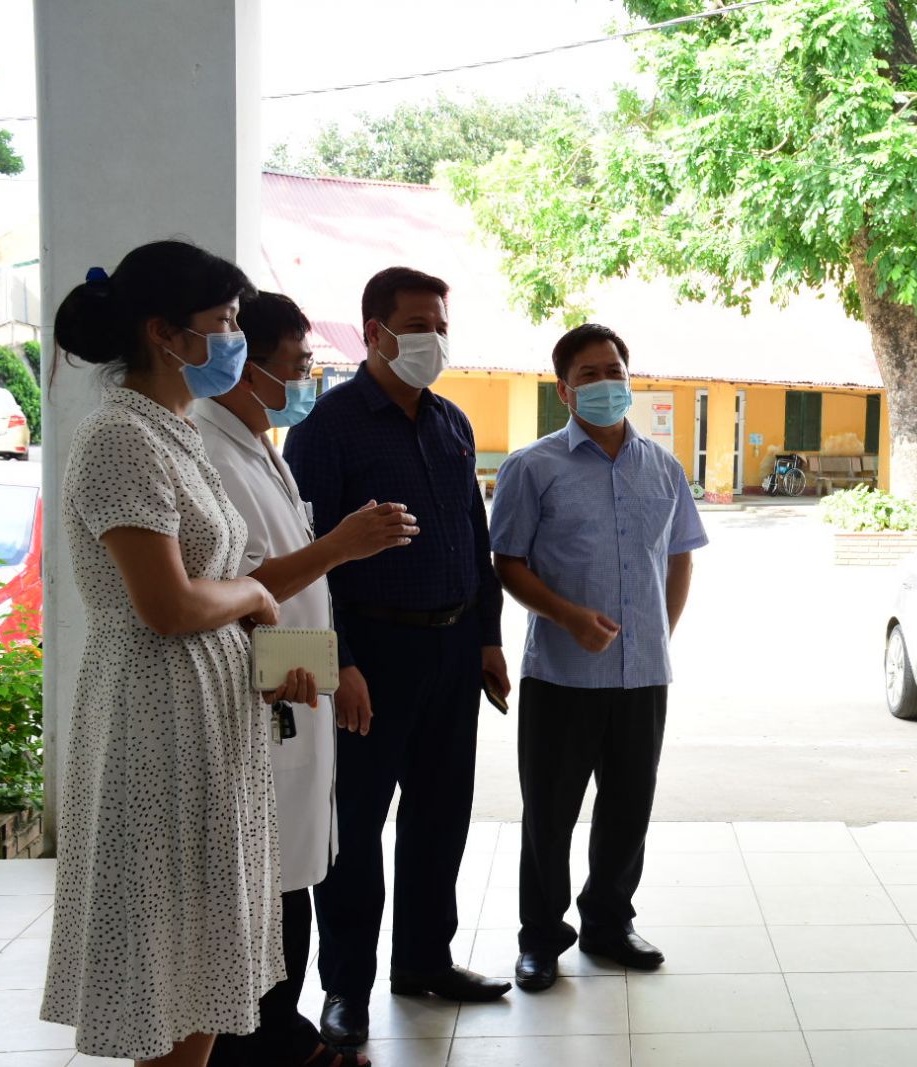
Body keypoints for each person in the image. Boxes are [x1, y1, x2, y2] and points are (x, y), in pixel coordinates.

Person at [39, 240, 312, 1066]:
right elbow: (167, 605)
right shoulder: (121, 438)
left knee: (203, 955)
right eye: (223, 321)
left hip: (207, 720)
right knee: (168, 959)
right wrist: (256, 595)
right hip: (155, 724)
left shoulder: (177, 431)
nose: (236, 337)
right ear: (165, 333)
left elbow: (205, 585)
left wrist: (260, 660)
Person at [284, 267, 513, 1049]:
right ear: (375, 332)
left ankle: (424, 961)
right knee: (355, 827)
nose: (434, 339)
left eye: (441, 325)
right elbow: (310, 560)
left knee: (440, 815)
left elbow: (474, 540)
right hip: (371, 655)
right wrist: (340, 660)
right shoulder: (328, 429)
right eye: (419, 325)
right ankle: (346, 988)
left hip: (452, 647)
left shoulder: (451, 422)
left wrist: (487, 637)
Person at [197, 291, 422, 1067]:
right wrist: (341, 544)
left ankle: (283, 1032)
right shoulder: (208, 450)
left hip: (292, 685)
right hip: (255, 695)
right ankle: (265, 1040)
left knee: (291, 872)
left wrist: (329, 659)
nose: (306, 379)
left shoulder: (258, 443)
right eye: (296, 364)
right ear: (246, 365)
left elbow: (284, 582)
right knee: (266, 883)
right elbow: (225, 589)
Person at [489, 323, 707, 993]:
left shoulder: (663, 467)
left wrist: (659, 632)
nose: (606, 382)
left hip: (643, 677)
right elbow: (508, 562)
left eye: (615, 370)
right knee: (549, 814)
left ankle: (609, 923)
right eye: (589, 374)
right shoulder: (533, 467)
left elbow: (679, 557)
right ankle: (540, 938)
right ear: (565, 390)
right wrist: (567, 616)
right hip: (561, 674)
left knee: (628, 807)